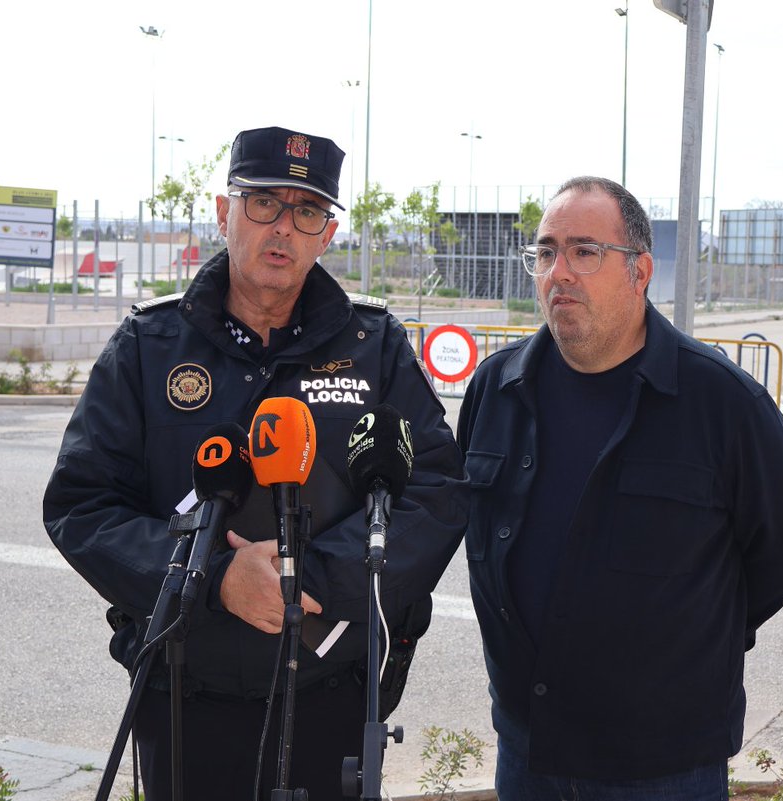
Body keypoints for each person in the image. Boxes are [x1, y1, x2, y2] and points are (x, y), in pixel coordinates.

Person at [44, 125, 467, 801]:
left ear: (327, 234)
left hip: (329, 697)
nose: (284, 228)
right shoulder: (149, 346)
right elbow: (82, 506)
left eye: (307, 211)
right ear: (223, 213)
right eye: (264, 202)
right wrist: (212, 580)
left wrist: (312, 579)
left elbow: (435, 490)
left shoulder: (373, 345)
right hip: (185, 699)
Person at [457, 176, 783, 800]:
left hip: (665, 766)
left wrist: (688, 644)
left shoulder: (723, 404)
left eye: (584, 251)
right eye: (545, 253)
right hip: (529, 754)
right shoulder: (496, 390)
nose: (559, 272)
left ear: (640, 271)